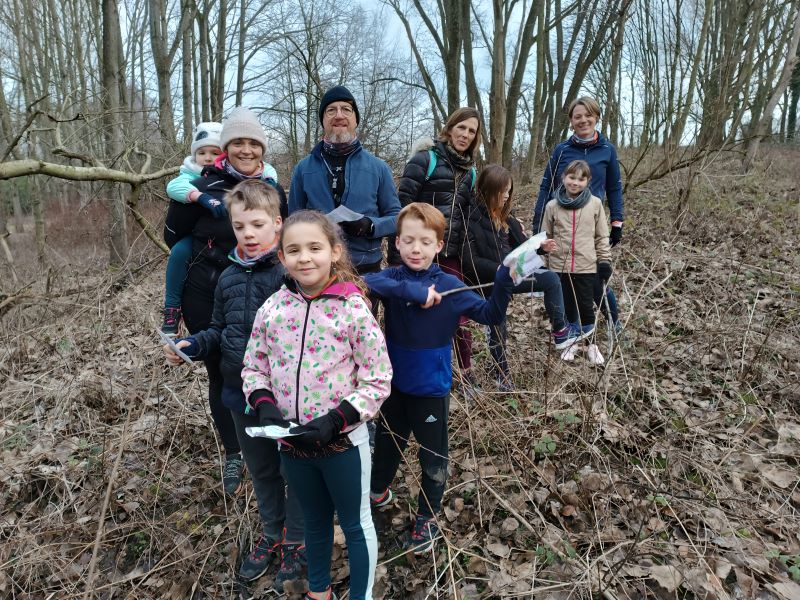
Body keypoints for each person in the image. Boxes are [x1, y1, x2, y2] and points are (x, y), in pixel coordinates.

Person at [241, 210, 392, 600]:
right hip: (292, 445)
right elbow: (254, 365)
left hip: (341, 446)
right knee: (314, 521)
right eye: (293, 250)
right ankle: (319, 591)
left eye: (314, 248)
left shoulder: (353, 309)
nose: (304, 258)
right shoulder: (272, 309)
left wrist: (337, 418)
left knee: (356, 524)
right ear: (281, 257)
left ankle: (361, 595)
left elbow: (378, 378)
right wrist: (264, 405)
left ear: (335, 252)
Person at [163, 180, 305, 588]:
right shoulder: (226, 277)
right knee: (261, 471)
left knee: (292, 469)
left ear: (277, 224)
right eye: (240, 226)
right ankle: (271, 535)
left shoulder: (290, 276)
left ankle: (296, 540)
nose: (248, 233)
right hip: (236, 393)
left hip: (284, 398)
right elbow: (220, 330)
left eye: (257, 224)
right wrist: (193, 343)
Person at [363, 203, 514, 555]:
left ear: (439, 245)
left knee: (433, 459)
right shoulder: (394, 280)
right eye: (409, 241)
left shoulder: (450, 285)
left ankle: (426, 518)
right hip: (394, 389)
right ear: (397, 243)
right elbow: (365, 281)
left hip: (431, 391)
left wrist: (504, 281)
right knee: (387, 445)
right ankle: (376, 493)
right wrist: (414, 293)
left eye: (426, 242)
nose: (417, 249)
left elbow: (490, 313)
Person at [163, 106, 287, 496]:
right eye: (238, 143)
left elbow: (284, 235)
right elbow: (174, 239)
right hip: (208, 290)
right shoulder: (204, 183)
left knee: (271, 366)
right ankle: (235, 452)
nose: (246, 149)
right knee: (222, 373)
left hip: (263, 286)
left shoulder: (273, 187)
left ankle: (276, 442)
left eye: (253, 142)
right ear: (225, 147)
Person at [461, 165, 579, 389]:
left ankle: (560, 330)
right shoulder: (470, 219)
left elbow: (523, 248)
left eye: (509, 191)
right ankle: (500, 372)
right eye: (502, 191)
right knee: (498, 324)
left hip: (513, 272)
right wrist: (497, 269)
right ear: (488, 189)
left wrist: (540, 249)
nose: (506, 196)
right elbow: (469, 261)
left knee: (551, 280)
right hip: (489, 279)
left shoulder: (507, 216)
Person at [393, 107, 481, 384]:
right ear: (450, 128)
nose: (465, 135)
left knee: (459, 312)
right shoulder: (425, 160)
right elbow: (401, 206)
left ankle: (465, 373)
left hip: (451, 254)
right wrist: (398, 256)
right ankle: (407, 373)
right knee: (417, 312)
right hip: (419, 254)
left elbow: (469, 217)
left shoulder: (471, 173)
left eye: (471, 131)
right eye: (461, 127)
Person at [288, 85, 400, 277]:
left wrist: (370, 225)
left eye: (346, 109)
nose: (339, 115)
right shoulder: (303, 169)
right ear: (323, 120)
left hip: (366, 272)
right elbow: (292, 222)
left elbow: (397, 219)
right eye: (331, 110)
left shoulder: (379, 168)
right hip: (317, 271)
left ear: (355, 119)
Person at [532, 96, 623, 331]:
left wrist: (617, 221)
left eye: (588, 115)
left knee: (594, 279)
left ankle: (614, 323)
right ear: (571, 121)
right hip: (561, 224)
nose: (583, 120)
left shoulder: (607, 150)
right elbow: (546, 186)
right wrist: (538, 225)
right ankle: (567, 326)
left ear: (596, 116)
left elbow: (614, 187)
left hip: (590, 227)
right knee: (562, 278)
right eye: (577, 116)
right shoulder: (562, 150)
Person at [540, 160, 612, 364]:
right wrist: (544, 262)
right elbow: (545, 237)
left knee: (586, 307)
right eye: (571, 177)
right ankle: (572, 343)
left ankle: (592, 345)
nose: (575, 183)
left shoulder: (595, 204)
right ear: (563, 178)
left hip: (586, 266)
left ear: (588, 181)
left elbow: (601, 236)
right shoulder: (552, 206)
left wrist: (604, 260)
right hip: (559, 266)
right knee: (567, 307)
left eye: (581, 179)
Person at [161, 122, 223, 334]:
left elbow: (265, 167)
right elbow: (174, 187)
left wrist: (269, 178)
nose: (207, 157)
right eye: (202, 152)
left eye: (214, 152)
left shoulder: (230, 172)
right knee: (179, 252)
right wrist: (200, 196)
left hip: (222, 235)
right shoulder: (189, 173)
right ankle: (171, 308)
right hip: (195, 235)